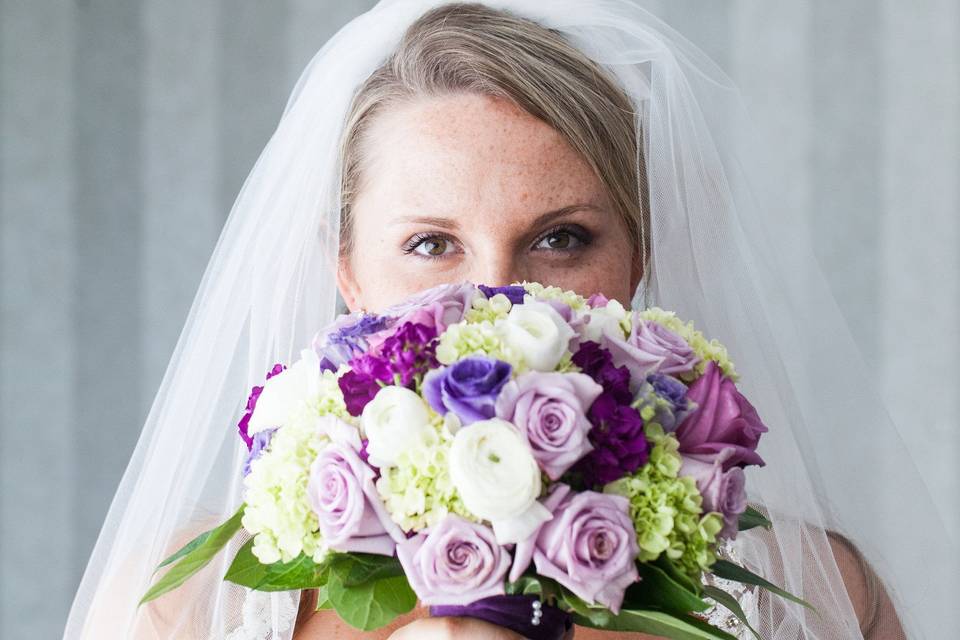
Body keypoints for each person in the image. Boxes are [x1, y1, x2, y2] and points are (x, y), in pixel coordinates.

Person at [63, 1, 950, 639]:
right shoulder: (178, 607)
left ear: (636, 265)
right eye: (429, 244)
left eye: (561, 237)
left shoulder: (814, 600)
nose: (496, 295)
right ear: (348, 276)